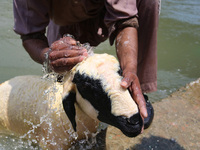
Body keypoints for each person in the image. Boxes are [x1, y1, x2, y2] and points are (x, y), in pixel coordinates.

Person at [13, 0, 159, 131]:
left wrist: (130, 70)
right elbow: (31, 35)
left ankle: (135, 89)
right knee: (62, 68)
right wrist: (48, 56)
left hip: (105, 6)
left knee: (148, 2)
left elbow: (125, 20)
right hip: (64, 15)